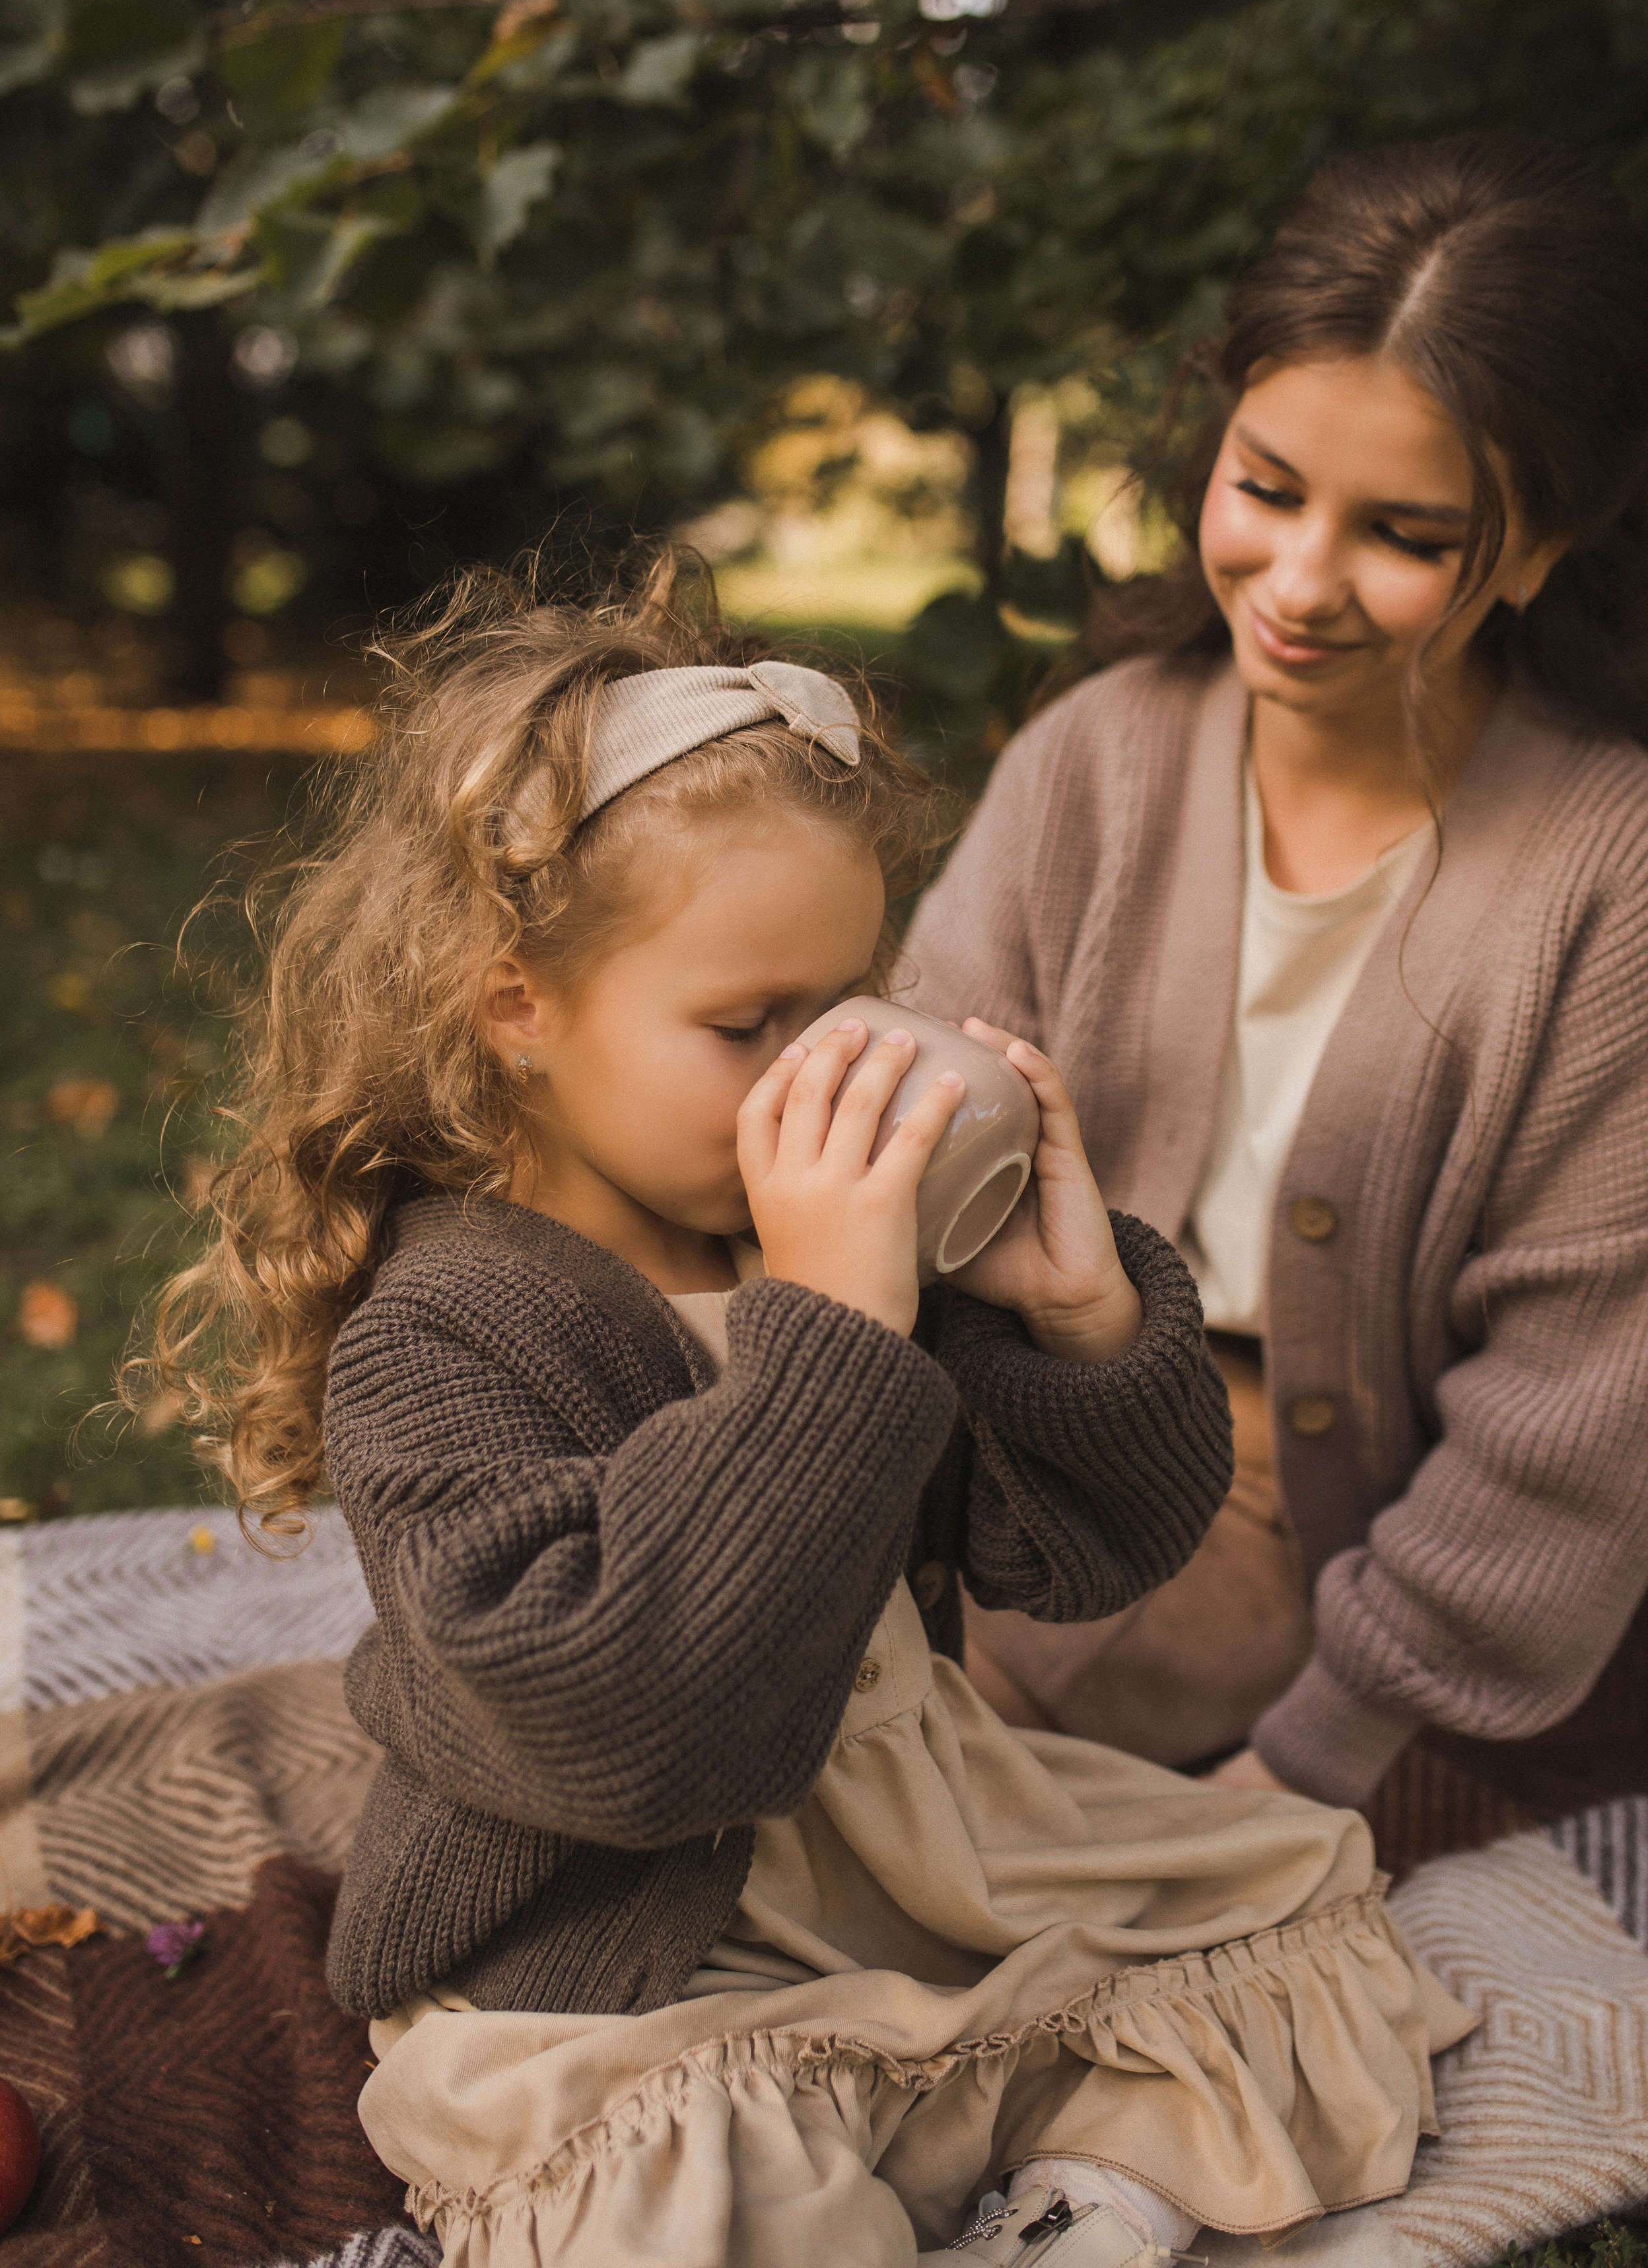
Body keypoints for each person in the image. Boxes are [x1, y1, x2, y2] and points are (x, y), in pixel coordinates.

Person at [141, 561, 1469, 2268]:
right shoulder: (449, 1335)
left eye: (841, 1009)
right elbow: (637, 1736)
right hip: (630, 1926)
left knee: (1301, 1916)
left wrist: (1076, 1317)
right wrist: (836, 1324)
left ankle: (1086, 2204)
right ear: (516, 1009)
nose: (810, 1074)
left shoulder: (823, 1235)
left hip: (916, 1838)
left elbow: (1085, 1559)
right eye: (742, 1025)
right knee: (676, 2184)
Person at [903, 132, 1648, 1813]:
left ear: (1544, 547)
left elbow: (1576, 1410)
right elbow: (917, 1108)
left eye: (1404, 533)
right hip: (999, 1416)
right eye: (1264, 489)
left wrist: (1322, 1764)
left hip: (1298, 1515)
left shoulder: (1611, 878)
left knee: (889, 1748)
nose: (1302, 582)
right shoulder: (1095, 759)